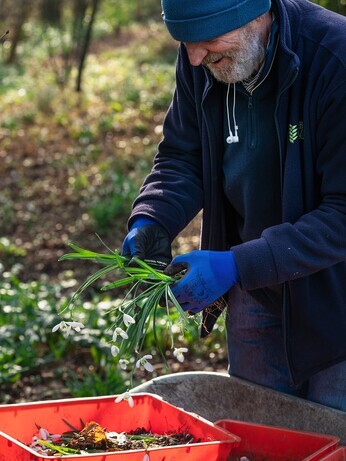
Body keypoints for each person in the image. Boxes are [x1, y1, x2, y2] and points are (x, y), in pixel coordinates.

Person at [122, 0, 346, 411]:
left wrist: (238, 264)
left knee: (332, 435)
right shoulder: (201, 56)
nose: (193, 57)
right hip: (255, 292)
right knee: (258, 431)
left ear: (256, 14)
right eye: (184, 41)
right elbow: (182, 156)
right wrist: (152, 218)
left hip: (336, 302)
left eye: (207, 39)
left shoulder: (336, 59)